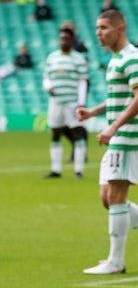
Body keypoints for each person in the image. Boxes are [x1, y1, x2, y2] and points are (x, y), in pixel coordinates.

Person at [76, 9, 138, 275]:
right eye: (97, 28)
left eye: (104, 28)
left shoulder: (132, 58)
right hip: (119, 136)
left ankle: (116, 261)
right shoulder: (116, 60)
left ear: (120, 29)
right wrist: (93, 112)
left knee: (116, 197)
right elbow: (118, 98)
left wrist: (113, 127)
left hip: (128, 136)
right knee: (108, 199)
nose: (98, 33)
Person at [43, 27, 88, 179]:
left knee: (77, 133)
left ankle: (79, 170)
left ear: (72, 40)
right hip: (55, 102)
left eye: (66, 39)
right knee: (55, 133)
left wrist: (81, 102)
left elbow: (82, 81)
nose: (63, 41)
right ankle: (56, 170)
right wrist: (48, 86)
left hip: (72, 102)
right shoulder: (52, 57)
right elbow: (46, 77)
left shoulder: (79, 59)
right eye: (61, 38)